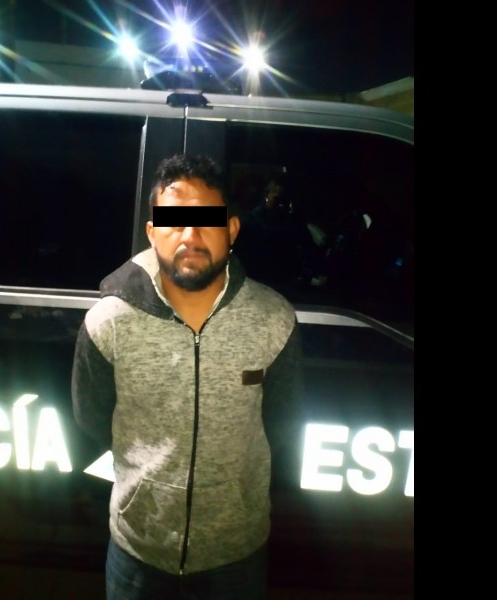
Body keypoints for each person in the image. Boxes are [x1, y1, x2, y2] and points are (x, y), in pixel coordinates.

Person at [71, 154, 304, 599]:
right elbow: (92, 419)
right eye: (174, 221)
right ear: (152, 232)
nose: (191, 236)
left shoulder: (273, 319)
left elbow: (284, 424)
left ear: (231, 230)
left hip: (236, 553)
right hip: (138, 551)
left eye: (207, 221)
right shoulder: (109, 322)